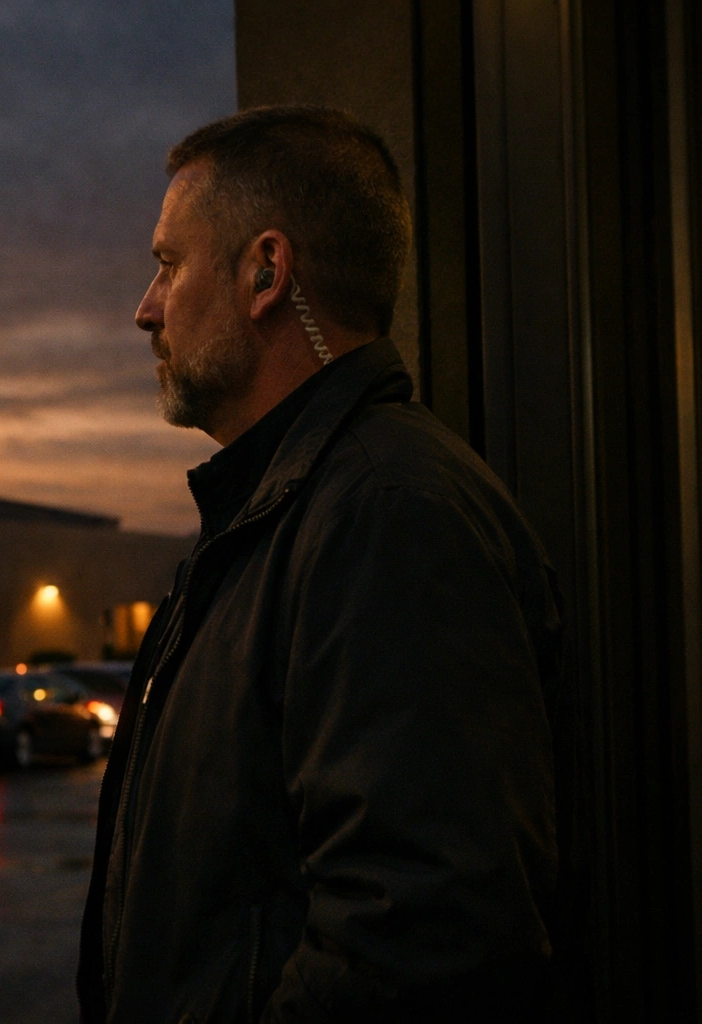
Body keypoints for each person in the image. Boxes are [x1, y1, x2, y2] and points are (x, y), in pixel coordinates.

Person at [77, 106, 560, 1023]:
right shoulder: (278, 518)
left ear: (267, 271)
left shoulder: (388, 516)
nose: (145, 309)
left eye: (168, 265)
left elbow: (423, 937)